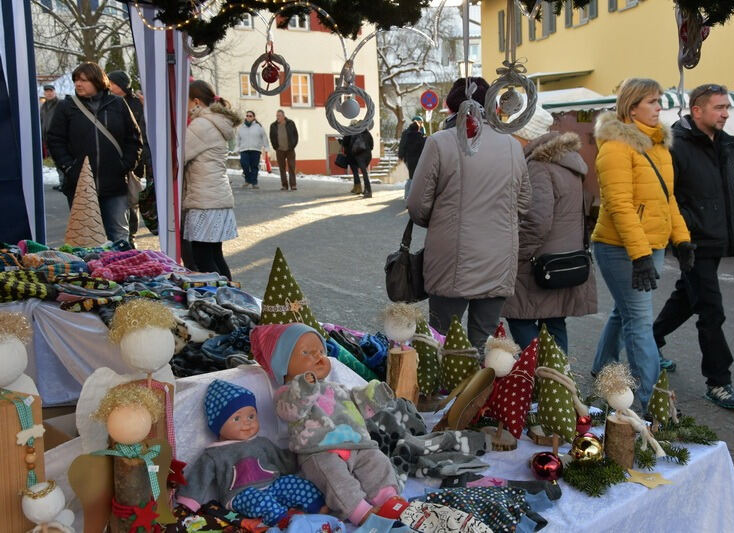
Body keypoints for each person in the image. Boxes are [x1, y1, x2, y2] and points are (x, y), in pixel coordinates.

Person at [589, 78, 693, 411]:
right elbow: (619, 204)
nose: (659, 106)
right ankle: (647, 402)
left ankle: (602, 368)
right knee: (639, 320)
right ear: (632, 106)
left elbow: (666, 198)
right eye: (652, 101)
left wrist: (682, 239)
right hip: (620, 249)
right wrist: (640, 255)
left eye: (660, 100)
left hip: (651, 247)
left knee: (625, 312)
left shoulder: (658, 144)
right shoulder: (616, 146)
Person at [407, 77, 531, 354]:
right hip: (498, 258)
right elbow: (524, 202)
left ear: (452, 108)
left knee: (441, 340)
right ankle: (480, 395)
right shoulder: (512, 145)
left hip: (451, 258)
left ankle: (443, 396)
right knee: (484, 341)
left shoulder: (441, 142)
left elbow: (417, 205)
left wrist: (442, 222)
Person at [652, 84, 734, 409]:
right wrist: (685, 231)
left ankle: (650, 341)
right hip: (691, 239)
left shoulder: (724, 143)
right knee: (711, 309)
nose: (725, 113)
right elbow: (669, 196)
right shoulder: (676, 145)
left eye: (726, 107)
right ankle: (719, 382)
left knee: (688, 297)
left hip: (717, 234)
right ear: (697, 110)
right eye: (719, 107)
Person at [253, 323, 406, 526]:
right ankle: (359, 511)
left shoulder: (336, 387)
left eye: (320, 351)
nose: (318, 356)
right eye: (307, 352)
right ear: (282, 364)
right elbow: (291, 412)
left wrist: (373, 396)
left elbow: (357, 405)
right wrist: (305, 385)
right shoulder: (287, 393)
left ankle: (388, 499)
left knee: (378, 462)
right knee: (335, 479)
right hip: (318, 451)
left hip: (357, 445)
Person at [501, 105, 597, 354]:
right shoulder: (566, 162)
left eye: (513, 133)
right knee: (554, 321)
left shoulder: (538, 166)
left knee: (518, 316)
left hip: (537, 262)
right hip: (563, 259)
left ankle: (541, 378)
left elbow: (537, 220)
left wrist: (514, 253)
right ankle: (558, 382)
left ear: (525, 134)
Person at [177, 379, 326, 527]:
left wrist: (301, 452)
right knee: (261, 501)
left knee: (296, 484)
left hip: (273, 484)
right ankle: (284, 521)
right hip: (240, 494)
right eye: (237, 418)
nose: (247, 422)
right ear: (218, 424)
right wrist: (188, 501)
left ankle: (320, 508)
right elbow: (199, 477)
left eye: (251, 416)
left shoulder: (261, 443)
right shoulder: (215, 453)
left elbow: (283, 460)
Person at [47, 62, 142, 243]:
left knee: (119, 238)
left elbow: (134, 139)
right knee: (85, 240)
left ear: (97, 81)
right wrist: (69, 167)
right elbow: (55, 140)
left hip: (114, 186)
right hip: (80, 186)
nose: (78, 84)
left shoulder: (118, 104)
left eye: (83, 80)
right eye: (76, 80)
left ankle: (122, 270)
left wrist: (125, 165)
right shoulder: (67, 107)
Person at [183, 80, 242, 279]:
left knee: (203, 257)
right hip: (216, 196)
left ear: (197, 102)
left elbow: (178, 156)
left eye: (187, 102)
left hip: (205, 199)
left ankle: (223, 298)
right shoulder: (217, 121)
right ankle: (230, 295)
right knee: (214, 254)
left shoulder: (202, 124)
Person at [108, 70, 152, 248]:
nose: (110, 86)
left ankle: (131, 234)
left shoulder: (137, 103)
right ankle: (118, 234)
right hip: (114, 159)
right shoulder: (109, 103)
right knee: (117, 199)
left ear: (122, 85)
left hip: (135, 160)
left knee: (132, 199)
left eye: (113, 83)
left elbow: (142, 133)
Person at [237, 110, 269, 189]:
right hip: (244, 149)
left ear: (254, 117)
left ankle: (254, 182)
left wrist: (266, 147)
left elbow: (264, 137)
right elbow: (237, 138)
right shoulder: (242, 127)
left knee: (254, 166)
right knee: (244, 164)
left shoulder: (258, 127)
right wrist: (237, 148)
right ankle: (248, 180)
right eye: (247, 116)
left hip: (255, 149)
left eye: (250, 116)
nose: (248, 117)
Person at [40, 84, 63, 190]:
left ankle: (64, 183)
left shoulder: (60, 104)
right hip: (47, 138)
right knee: (56, 161)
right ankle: (62, 181)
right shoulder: (43, 106)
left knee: (61, 161)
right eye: (47, 91)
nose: (49, 93)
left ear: (54, 92)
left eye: (50, 91)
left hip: (58, 137)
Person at [340, 125, 374, 198]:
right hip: (367, 155)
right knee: (364, 172)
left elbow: (345, 143)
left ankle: (365, 190)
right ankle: (364, 189)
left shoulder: (351, 132)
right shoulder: (367, 132)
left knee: (356, 172)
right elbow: (372, 145)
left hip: (356, 155)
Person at [397, 117, 426, 200]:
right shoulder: (421, 138)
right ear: (418, 128)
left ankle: (407, 195)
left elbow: (402, 145)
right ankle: (417, 196)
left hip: (409, 160)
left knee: (411, 177)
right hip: (419, 160)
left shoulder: (406, 136)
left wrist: (401, 156)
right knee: (417, 177)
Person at [269, 109, 299, 191]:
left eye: (279, 115)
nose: (277, 117)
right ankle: (284, 185)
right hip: (279, 150)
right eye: (277, 116)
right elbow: (272, 137)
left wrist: (293, 145)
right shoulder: (273, 125)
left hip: (290, 149)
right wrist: (275, 147)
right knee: (282, 168)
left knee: (291, 167)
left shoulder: (290, 123)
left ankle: (293, 185)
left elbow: (295, 135)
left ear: (283, 116)